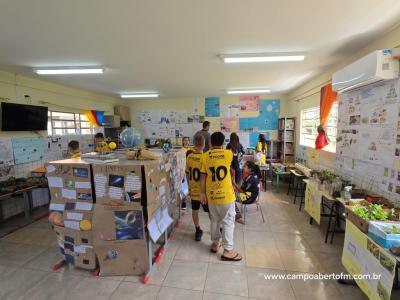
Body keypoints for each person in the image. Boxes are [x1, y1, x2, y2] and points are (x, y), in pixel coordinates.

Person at [200, 131, 242, 261]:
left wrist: (202, 193)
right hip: (227, 196)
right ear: (223, 143)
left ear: (210, 143)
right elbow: (236, 168)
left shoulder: (205, 156)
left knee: (215, 220)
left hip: (211, 196)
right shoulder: (229, 154)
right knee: (228, 221)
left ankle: (215, 243)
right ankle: (228, 251)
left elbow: (203, 175)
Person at [185, 134, 210, 241]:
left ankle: (198, 230)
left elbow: (186, 173)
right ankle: (217, 228)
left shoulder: (189, 157)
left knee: (195, 210)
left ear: (194, 144)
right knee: (209, 211)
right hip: (203, 192)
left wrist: (188, 188)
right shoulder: (205, 157)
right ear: (204, 145)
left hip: (193, 190)